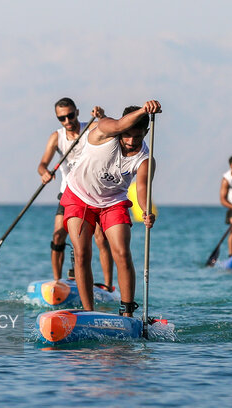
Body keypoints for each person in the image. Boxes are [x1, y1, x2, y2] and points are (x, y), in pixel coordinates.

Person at [60, 100, 161, 317]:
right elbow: (116, 126)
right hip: (79, 196)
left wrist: (146, 211)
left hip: (112, 202)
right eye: (127, 134)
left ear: (147, 132)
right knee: (82, 253)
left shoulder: (145, 159)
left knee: (122, 253)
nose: (131, 141)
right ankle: (89, 313)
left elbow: (142, 189)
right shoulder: (104, 129)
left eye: (138, 136)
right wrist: (144, 109)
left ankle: (127, 312)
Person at [37, 97, 114, 289]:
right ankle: (57, 281)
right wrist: (44, 173)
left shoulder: (90, 128)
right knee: (57, 236)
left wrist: (102, 116)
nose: (67, 121)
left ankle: (107, 285)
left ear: (77, 113)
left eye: (70, 116)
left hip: (93, 192)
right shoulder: (57, 137)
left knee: (100, 237)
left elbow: (110, 128)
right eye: (62, 118)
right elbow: (42, 164)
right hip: (68, 194)